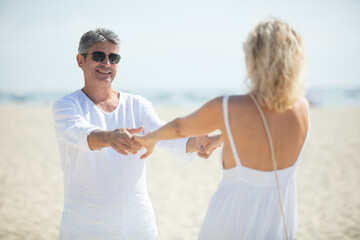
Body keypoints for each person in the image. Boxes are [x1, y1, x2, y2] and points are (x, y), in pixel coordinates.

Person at [135, 19, 309, 240]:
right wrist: (219, 139)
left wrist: (150, 138)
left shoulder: (229, 107)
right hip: (280, 217)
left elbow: (180, 127)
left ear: (256, 61)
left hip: (234, 218)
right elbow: (264, 135)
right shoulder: (303, 107)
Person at [52, 28, 218, 240]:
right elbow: (80, 133)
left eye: (113, 57)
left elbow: (164, 136)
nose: (107, 64)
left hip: (137, 227)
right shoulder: (66, 106)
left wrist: (199, 142)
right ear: (80, 60)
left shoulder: (137, 105)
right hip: (84, 228)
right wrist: (111, 138)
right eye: (99, 56)